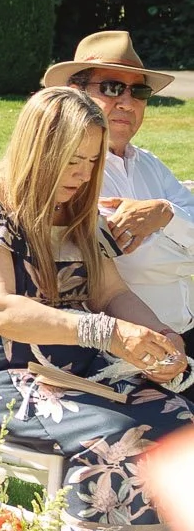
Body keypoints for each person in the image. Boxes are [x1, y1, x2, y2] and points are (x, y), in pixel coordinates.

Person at [0, 84, 194, 531]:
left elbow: (109, 290)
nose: (81, 174)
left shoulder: (75, 209)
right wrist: (107, 333)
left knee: (180, 421)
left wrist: (155, 333)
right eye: (71, 160)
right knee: (118, 436)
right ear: (38, 148)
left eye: (90, 161)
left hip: (73, 362)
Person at [46, 32, 194, 339]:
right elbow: (131, 262)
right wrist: (181, 241)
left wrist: (164, 215)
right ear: (76, 91)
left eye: (138, 91)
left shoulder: (149, 164)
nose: (127, 102)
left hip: (184, 328)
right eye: (112, 87)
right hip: (129, 344)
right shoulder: (68, 172)